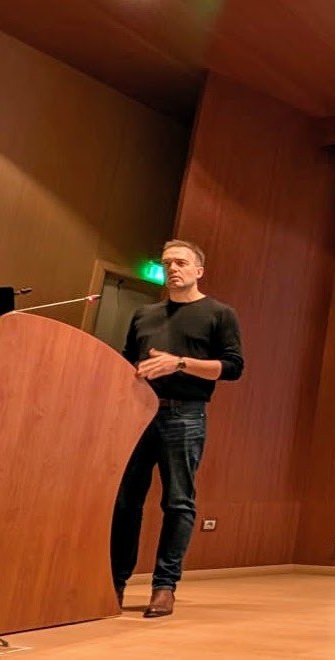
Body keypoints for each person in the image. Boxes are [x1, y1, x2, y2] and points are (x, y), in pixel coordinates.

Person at [111, 239, 244, 617]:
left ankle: (164, 586)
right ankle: (114, 582)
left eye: (181, 262)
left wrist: (179, 363)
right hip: (138, 415)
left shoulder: (219, 313)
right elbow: (125, 361)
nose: (173, 269)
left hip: (185, 414)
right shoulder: (143, 315)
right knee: (125, 503)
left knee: (178, 502)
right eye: (167, 263)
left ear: (199, 270)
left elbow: (233, 368)